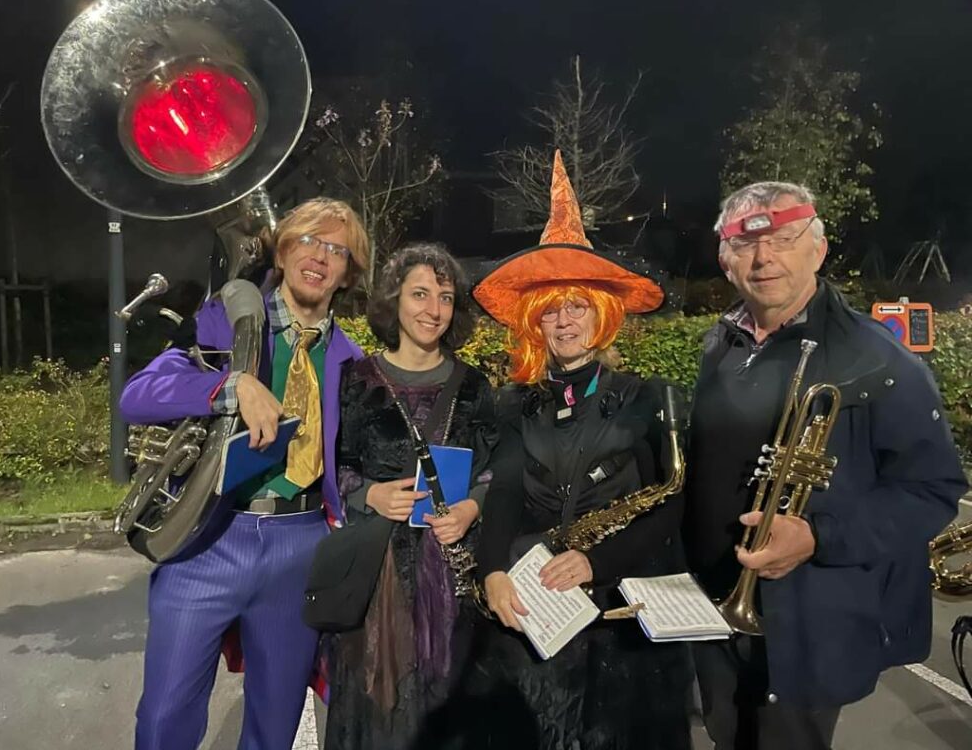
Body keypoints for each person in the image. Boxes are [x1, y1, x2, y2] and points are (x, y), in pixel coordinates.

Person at [684, 180, 968, 750]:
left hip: (809, 621)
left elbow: (933, 487)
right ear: (724, 258)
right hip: (713, 611)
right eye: (745, 245)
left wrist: (818, 536)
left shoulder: (880, 357)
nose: (764, 258)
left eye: (785, 239)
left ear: (818, 248)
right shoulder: (722, 344)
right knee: (725, 737)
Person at [454, 151, 693, 750]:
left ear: (603, 313)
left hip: (624, 610)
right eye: (551, 309)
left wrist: (598, 562)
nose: (564, 321)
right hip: (543, 607)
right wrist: (493, 571)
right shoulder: (518, 404)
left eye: (577, 305)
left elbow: (673, 504)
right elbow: (504, 491)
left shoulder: (651, 399)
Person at [120, 197, 370, 750]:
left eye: (337, 250)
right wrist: (230, 386)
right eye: (307, 240)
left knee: (275, 722)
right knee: (164, 719)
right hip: (209, 538)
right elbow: (137, 396)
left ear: (348, 272)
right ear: (282, 251)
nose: (319, 257)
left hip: (301, 547)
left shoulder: (351, 359)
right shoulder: (222, 321)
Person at [323, 243, 497, 750]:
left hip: (451, 578)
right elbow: (334, 465)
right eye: (420, 294)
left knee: (448, 707)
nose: (434, 310)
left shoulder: (475, 387)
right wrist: (370, 494)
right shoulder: (354, 381)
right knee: (377, 713)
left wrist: (471, 507)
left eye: (445, 297)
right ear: (394, 300)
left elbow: (495, 470)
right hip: (374, 577)